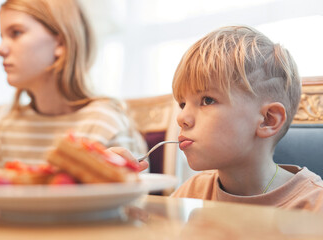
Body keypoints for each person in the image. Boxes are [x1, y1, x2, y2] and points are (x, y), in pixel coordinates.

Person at [112, 25, 323, 212]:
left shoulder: (313, 206)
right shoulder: (193, 192)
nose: (181, 117)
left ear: (268, 120)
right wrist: (111, 192)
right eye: (183, 103)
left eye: (207, 100)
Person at [0, 0, 148, 172]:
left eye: (16, 33)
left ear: (61, 43)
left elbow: (136, 196)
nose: (0, 49)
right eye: (2, 36)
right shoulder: (7, 125)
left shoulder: (104, 123)